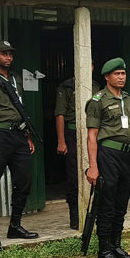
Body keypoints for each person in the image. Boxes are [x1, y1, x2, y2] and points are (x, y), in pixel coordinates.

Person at [0, 40, 38, 250]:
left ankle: (15, 225)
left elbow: (20, 109)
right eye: (3, 54)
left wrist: (27, 136)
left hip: (19, 136)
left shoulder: (15, 79)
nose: (8, 58)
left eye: (10, 54)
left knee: (24, 181)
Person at [85, 58, 130, 258]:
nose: (121, 77)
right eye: (117, 74)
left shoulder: (127, 98)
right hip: (108, 154)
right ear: (107, 77)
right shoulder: (97, 100)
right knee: (107, 203)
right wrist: (93, 166)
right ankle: (104, 252)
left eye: (123, 74)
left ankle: (116, 246)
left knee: (121, 202)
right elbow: (92, 136)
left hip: (126, 155)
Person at [54, 68, 99, 230]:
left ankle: (95, 213)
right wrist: (61, 140)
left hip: (95, 133)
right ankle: (75, 214)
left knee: (97, 172)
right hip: (73, 132)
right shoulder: (66, 87)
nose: (90, 67)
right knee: (74, 175)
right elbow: (60, 114)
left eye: (92, 64)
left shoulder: (95, 86)